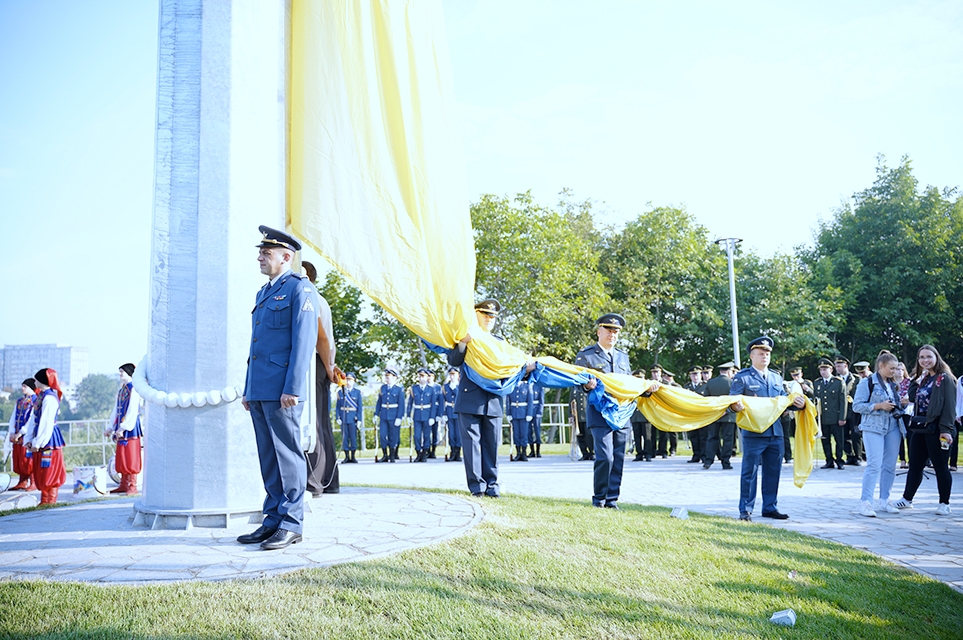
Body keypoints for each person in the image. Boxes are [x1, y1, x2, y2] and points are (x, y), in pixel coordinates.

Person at [238, 225, 320, 551]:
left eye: (266, 253)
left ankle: (292, 523)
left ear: (286, 257)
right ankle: (271, 520)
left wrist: (293, 388)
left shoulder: (301, 289)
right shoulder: (264, 292)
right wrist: (248, 388)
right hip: (260, 389)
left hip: (283, 391)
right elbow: (256, 345)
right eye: (260, 252)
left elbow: (303, 343)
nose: (260, 256)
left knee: (288, 457)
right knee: (268, 458)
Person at [448, 299, 534, 497]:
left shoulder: (499, 342)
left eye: (492, 317)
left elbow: (509, 369)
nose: (489, 319)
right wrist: (463, 342)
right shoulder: (466, 337)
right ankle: (477, 487)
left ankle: (492, 486)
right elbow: (453, 360)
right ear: (476, 315)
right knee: (471, 447)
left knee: (491, 446)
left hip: (493, 401)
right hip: (470, 400)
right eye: (485, 315)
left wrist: (525, 368)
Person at [577, 313, 658, 509]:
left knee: (619, 459)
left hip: (621, 414)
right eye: (608, 330)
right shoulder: (586, 356)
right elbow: (577, 383)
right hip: (600, 414)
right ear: (599, 332)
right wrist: (587, 385)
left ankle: (612, 500)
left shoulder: (623, 356)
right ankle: (599, 499)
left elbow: (627, 384)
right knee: (605, 457)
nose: (612, 335)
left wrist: (645, 390)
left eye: (616, 332)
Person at [730, 336, 806, 521]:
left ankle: (770, 507)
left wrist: (799, 404)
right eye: (760, 353)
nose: (764, 356)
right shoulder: (743, 377)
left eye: (767, 354)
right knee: (750, 472)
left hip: (775, 432)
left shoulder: (776, 377)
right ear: (752, 356)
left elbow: (783, 402)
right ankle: (746, 509)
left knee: (773, 471)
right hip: (754, 432)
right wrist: (735, 406)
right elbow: (731, 400)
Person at [894, 345, 957, 515]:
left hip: (938, 428)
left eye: (928, 356)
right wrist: (916, 378)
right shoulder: (924, 378)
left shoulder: (945, 379)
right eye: (921, 357)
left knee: (940, 465)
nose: (925, 360)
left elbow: (950, 407)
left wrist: (946, 430)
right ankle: (907, 499)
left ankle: (944, 503)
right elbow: (913, 397)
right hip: (921, 427)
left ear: (936, 358)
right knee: (915, 465)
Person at [301, 260, 343, 498]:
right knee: (321, 423)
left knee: (314, 422)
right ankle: (329, 480)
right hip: (320, 362)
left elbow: (322, 339)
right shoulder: (319, 297)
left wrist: (328, 367)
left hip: (316, 362)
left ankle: (314, 481)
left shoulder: (310, 297)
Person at [853, 350, 905, 517]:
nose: (895, 372)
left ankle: (885, 499)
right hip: (873, 426)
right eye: (891, 368)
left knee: (889, 465)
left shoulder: (893, 384)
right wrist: (878, 406)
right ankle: (866, 502)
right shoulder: (867, 383)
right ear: (881, 366)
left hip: (893, 425)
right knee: (874, 464)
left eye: (896, 368)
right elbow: (857, 406)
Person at [23, 368, 67, 504]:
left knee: (50, 467)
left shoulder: (49, 398)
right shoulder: (41, 396)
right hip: (40, 436)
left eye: (36, 379)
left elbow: (46, 422)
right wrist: (29, 439)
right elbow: (33, 419)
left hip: (48, 438)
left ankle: (51, 499)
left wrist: (38, 442)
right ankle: (44, 499)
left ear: (42, 381)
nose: (34, 381)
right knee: (41, 468)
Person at [104, 363, 143, 495]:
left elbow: (132, 410)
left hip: (130, 428)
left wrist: (124, 427)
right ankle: (123, 484)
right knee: (122, 456)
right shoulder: (123, 389)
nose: (120, 374)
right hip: (121, 427)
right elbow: (116, 409)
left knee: (130, 456)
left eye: (122, 372)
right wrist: (110, 427)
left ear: (129, 373)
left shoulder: (134, 389)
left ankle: (132, 485)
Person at [814, 358, 847, 470]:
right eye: (821, 369)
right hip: (823, 418)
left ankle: (839, 460)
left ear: (831, 370)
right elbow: (816, 401)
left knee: (839, 440)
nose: (823, 372)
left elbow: (843, 401)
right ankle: (829, 460)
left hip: (836, 416)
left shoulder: (838, 382)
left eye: (825, 369)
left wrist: (842, 417)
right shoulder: (817, 383)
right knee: (825, 440)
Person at [703, 362, 737, 470]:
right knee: (728, 439)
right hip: (729, 415)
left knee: (712, 437)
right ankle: (725, 462)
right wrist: (727, 410)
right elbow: (735, 399)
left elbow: (706, 400)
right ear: (728, 371)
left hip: (714, 415)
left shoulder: (710, 383)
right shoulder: (732, 383)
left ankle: (708, 460)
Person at [8, 378, 37, 491]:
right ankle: (22, 481)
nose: (22, 388)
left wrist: (21, 432)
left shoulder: (36, 401)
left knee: (29, 459)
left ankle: (33, 481)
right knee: (19, 458)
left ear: (31, 387)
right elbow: (13, 416)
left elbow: (31, 419)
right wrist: (11, 432)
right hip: (17, 436)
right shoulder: (20, 401)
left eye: (25, 386)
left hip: (28, 435)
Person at [836, 356, 863, 466]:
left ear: (845, 366)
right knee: (845, 435)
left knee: (856, 434)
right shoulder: (835, 380)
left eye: (839, 366)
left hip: (855, 411)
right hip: (842, 411)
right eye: (836, 366)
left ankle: (858, 456)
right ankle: (849, 455)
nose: (837, 368)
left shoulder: (856, 379)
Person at [374, 369, 404, 462]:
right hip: (384, 415)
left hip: (394, 415)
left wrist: (399, 417)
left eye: (389, 376)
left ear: (394, 378)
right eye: (386, 376)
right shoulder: (383, 388)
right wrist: (376, 414)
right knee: (382, 435)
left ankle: (392, 455)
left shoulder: (399, 389)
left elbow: (401, 405)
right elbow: (379, 402)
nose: (387, 378)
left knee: (393, 436)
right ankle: (385, 455)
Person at [407, 368, 436, 463]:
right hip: (417, 415)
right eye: (420, 376)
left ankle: (424, 453)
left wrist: (432, 417)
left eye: (423, 376)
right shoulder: (414, 388)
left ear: (427, 377)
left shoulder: (431, 389)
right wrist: (408, 415)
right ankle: (418, 452)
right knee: (417, 436)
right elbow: (410, 403)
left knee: (427, 435)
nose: (421, 378)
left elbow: (433, 405)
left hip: (427, 415)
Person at [336, 372, 363, 463]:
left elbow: (360, 407)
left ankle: (353, 456)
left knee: (353, 437)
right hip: (344, 417)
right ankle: (347, 456)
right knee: (345, 438)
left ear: (354, 381)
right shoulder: (340, 392)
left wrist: (359, 419)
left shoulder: (357, 392)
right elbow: (338, 406)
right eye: (347, 380)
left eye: (350, 380)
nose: (348, 382)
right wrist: (337, 417)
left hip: (352, 418)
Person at [507, 374, 533, 461]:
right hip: (514, 413)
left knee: (524, 434)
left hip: (524, 413)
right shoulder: (512, 386)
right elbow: (508, 401)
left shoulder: (527, 386)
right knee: (516, 435)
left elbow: (530, 401)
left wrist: (529, 414)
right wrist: (508, 413)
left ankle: (524, 453)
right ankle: (518, 453)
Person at [684, 366, 707, 464]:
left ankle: (704, 455)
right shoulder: (687, 387)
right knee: (693, 436)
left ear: (701, 375)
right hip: (691, 415)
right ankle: (696, 455)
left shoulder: (706, 385)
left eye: (697, 374)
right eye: (693, 375)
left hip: (702, 415)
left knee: (703, 436)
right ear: (690, 376)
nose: (695, 377)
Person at [630, 370, 654, 462]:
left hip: (645, 415)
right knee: (637, 436)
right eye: (637, 378)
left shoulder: (647, 387)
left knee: (647, 436)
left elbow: (648, 396)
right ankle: (639, 453)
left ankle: (648, 453)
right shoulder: (631, 388)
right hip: (635, 415)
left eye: (641, 378)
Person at [442, 367, 462, 462]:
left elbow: (461, 397)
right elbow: (443, 401)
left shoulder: (460, 385)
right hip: (449, 411)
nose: (452, 376)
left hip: (458, 411)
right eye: (451, 374)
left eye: (454, 374)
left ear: (458, 375)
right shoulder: (445, 387)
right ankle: (452, 452)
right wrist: (444, 413)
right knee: (451, 433)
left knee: (458, 434)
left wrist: (455, 388)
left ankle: (458, 452)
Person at [895, 361, 911, 469]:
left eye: (902, 369)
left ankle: (911, 459)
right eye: (897, 369)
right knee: (899, 437)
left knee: (910, 436)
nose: (900, 372)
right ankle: (902, 459)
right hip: (896, 412)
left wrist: (907, 400)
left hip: (907, 412)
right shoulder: (891, 383)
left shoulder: (909, 382)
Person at [529, 380, 545, 458]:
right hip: (528, 412)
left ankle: (538, 451)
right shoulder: (527, 385)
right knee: (529, 432)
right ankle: (532, 451)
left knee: (537, 432)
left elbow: (541, 401)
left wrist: (540, 412)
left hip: (536, 411)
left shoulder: (539, 386)